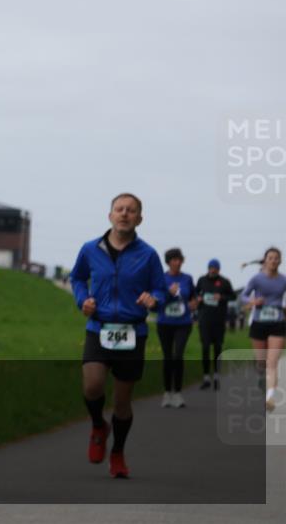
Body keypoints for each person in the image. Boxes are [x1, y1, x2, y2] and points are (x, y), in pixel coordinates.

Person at [69, 193, 165, 479]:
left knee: (122, 402)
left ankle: (118, 452)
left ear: (139, 218)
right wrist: (82, 299)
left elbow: (159, 289)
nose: (125, 214)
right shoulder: (90, 249)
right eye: (119, 209)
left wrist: (153, 299)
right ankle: (99, 425)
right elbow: (77, 278)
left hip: (132, 332)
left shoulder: (147, 254)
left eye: (131, 210)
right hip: (99, 328)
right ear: (110, 215)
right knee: (92, 387)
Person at [240, 247, 285, 412]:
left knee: (272, 363)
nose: (273, 260)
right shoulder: (257, 279)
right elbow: (243, 295)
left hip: (277, 323)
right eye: (270, 257)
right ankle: (261, 379)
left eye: (276, 258)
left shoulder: (283, 280)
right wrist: (252, 301)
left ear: (280, 261)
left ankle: (270, 398)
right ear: (265, 260)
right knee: (261, 363)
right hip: (259, 323)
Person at [156, 248, 196, 408]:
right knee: (167, 357)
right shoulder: (161, 278)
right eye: (174, 259)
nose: (177, 262)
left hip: (183, 323)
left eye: (179, 259)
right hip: (164, 322)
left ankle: (178, 393)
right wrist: (168, 293)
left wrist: (195, 302)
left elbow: (193, 296)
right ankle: (167, 393)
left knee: (178, 355)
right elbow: (156, 298)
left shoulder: (187, 278)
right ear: (168, 262)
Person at [195, 258, 236, 390]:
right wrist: (198, 298)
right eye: (211, 267)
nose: (213, 270)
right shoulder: (202, 280)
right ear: (208, 268)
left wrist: (222, 297)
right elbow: (195, 293)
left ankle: (217, 376)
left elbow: (233, 296)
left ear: (219, 269)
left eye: (215, 268)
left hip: (219, 319)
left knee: (217, 347)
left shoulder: (224, 282)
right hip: (204, 319)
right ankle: (206, 376)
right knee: (205, 347)